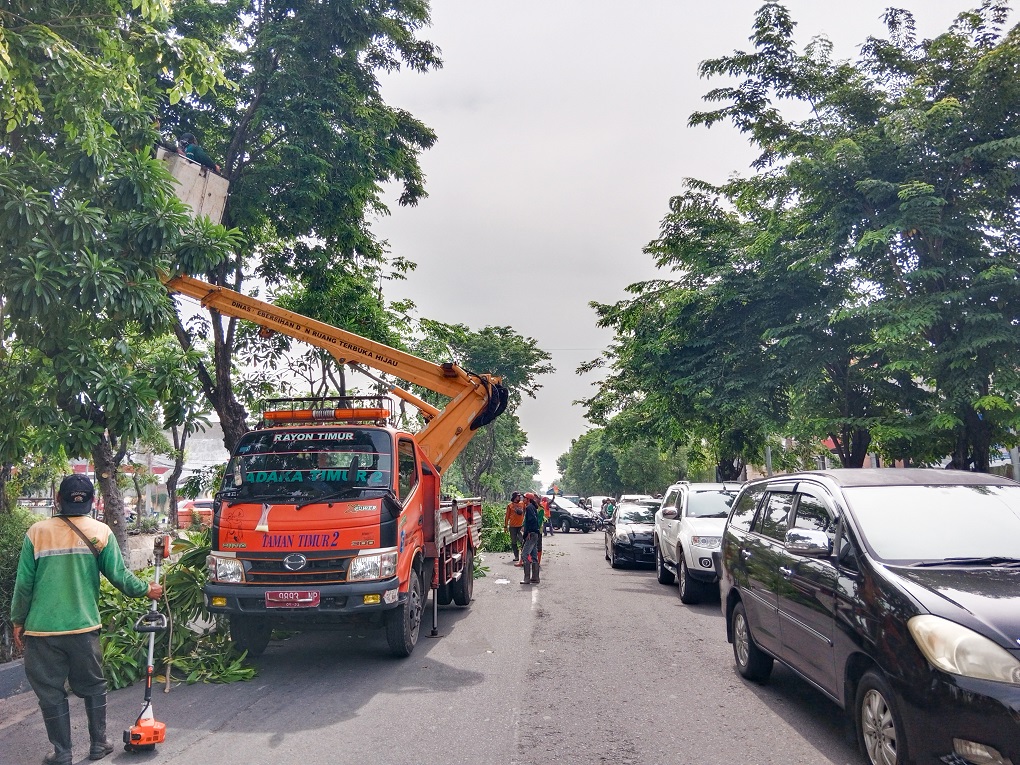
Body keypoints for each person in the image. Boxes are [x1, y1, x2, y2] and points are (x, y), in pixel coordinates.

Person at [10, 475, 163, 765]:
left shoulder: (37, 532)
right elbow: (120, 577)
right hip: (83, 628)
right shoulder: (101, 532)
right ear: (93, 501)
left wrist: (18, 620)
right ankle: (98, 745)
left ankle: (62, 753)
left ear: (58, 499)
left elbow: (24, 585)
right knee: (93, 686)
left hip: (42, 631)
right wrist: (148, 589)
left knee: (50, 692)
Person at [520, 493, 542, 584]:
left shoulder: (529, 507)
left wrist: (528, 532)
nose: (523, 499)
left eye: (524, 498)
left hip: (531, 534)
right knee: (534, 556)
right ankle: (535, 578)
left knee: (524, 554)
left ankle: (527, 578)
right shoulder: (533, 507)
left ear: (528, 499)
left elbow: (532, 520)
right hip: (535, 533)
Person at [503, 491, 526, 564]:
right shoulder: (510, 505)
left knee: (522, 541)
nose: (519, 497)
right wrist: (505, 526)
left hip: (520, 526)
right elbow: (507, 516)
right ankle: (516, 556)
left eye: (520, 496)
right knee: (514, 542)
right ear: (515, 497)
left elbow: (525, 512)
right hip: (512, 526)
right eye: (518, 496)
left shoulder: (522, 504)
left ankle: (524, 556)